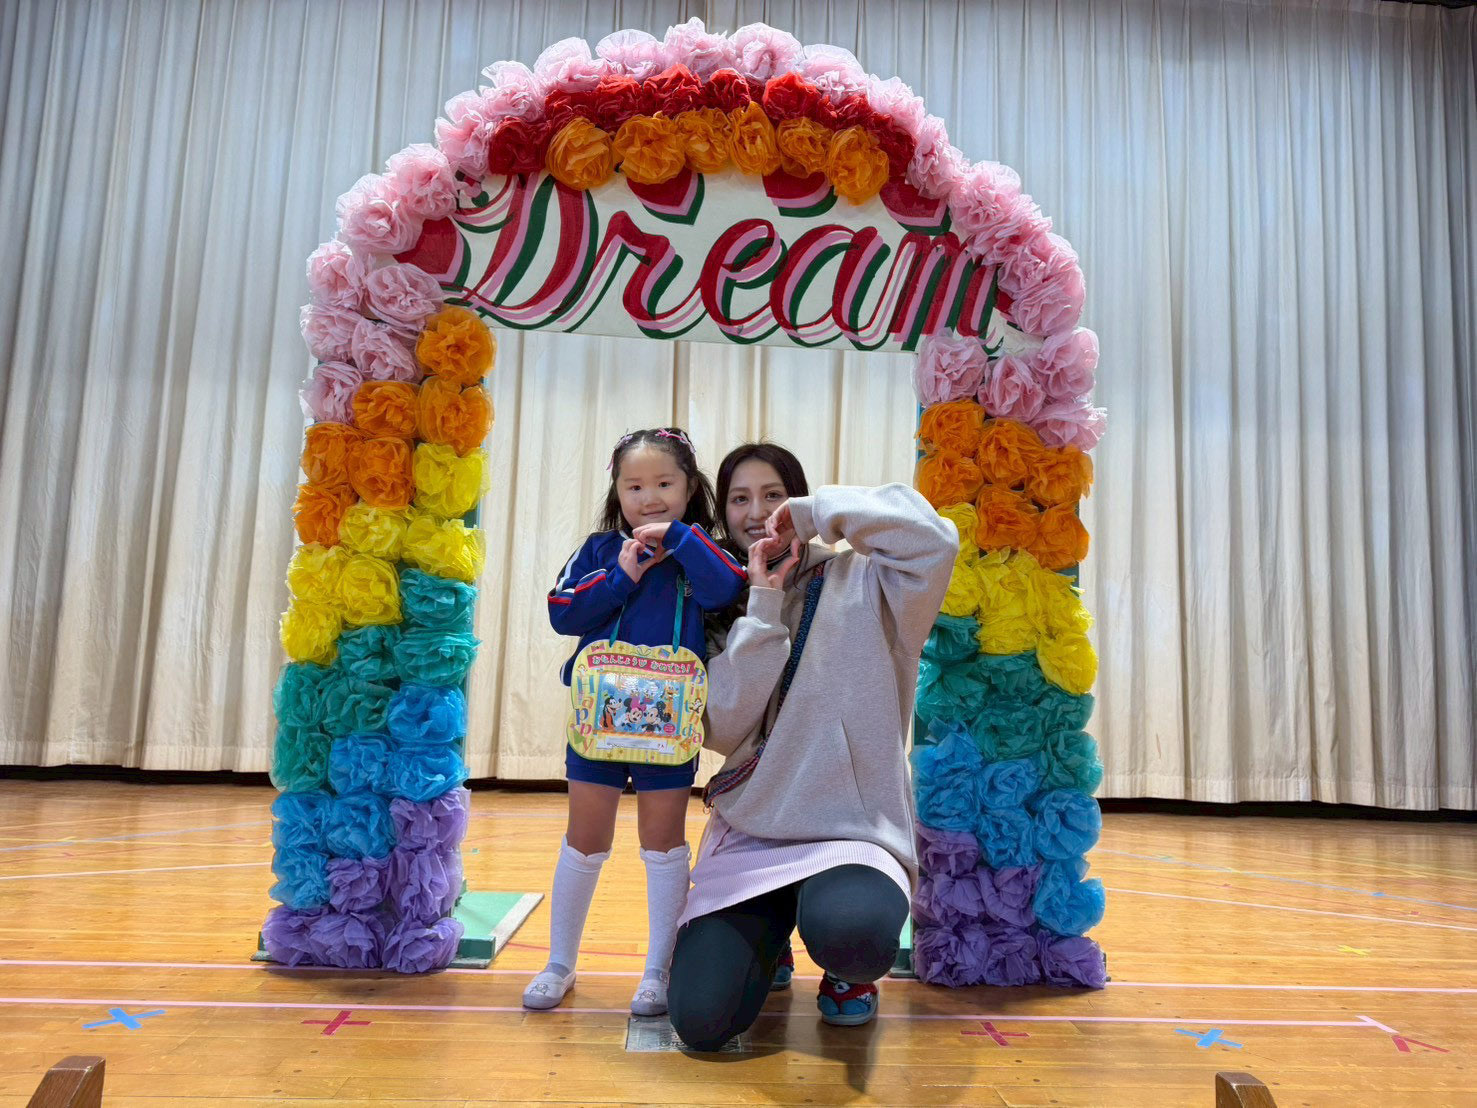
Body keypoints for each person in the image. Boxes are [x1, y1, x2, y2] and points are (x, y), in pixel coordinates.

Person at [667, 443, 956, 1050]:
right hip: (755, 830)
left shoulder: (873, 579)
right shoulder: (717, 603)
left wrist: (812, 513)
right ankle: (771, 940)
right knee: (701, 1022)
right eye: (740, 499)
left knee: (854, 935)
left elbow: (934, 539)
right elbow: (721, 727)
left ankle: (847, 972)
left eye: (772, 495)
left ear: (796, 498)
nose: (756, 512)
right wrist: (763, 607)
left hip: (852, 831)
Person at [523, 427, 746, 1017]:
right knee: (584, 839)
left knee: (663, 843)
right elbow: (562, 612)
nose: (649, 498)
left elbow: (727, 589)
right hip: (596, 722)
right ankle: (559, 963)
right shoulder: (600, 550)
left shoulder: (701, 549)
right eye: (634, 486)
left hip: (669, 726)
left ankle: (657, 971)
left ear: (689, 488)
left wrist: (683, 540)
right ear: (617, 492)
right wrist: (622, 575)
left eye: (664, 484)